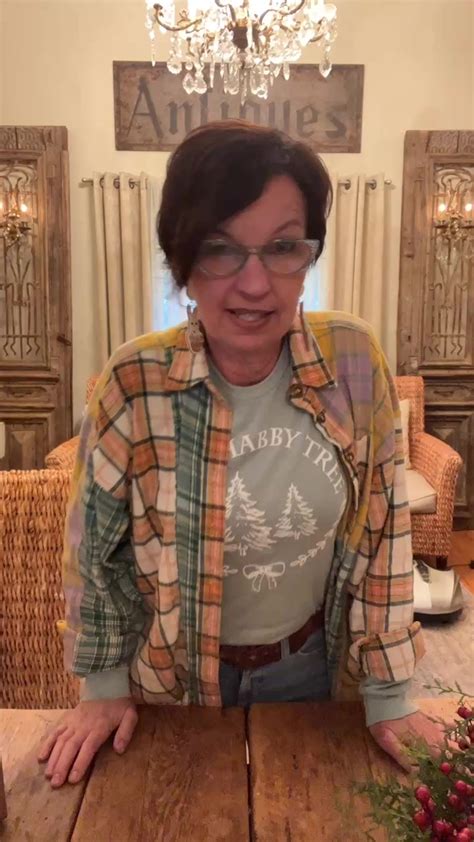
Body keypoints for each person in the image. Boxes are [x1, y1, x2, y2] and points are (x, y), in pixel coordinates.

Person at [39, 119, 443, 789]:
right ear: (182, 260)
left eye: (283, 247)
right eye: (221, 249)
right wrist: (102, 687)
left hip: (312, 669)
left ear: (308, 257)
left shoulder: (352, 359)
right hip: (170, 685)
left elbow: (383, 532)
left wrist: (390, 693)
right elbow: (92, 551)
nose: (255, 284)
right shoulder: (134, 379)